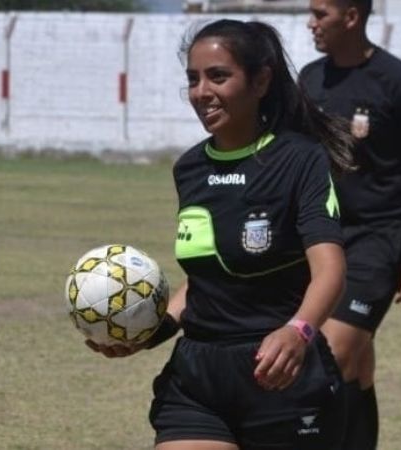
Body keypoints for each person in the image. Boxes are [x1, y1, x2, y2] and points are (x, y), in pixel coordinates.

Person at [87, 18, 358, 450]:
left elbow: (329, 269)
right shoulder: (190, 168)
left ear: (261, 81)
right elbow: (203, 281)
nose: (201, 92)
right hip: (198, 380)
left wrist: (298, 331)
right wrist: (145, 333)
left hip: (279, 374)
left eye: (218, 76)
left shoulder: (299, 160)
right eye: (193, 79)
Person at [299, 0, 401, 448]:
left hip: (378, 238)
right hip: (323, 239)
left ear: (351, 17)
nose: (311, 23)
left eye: (320, 13)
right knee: (355, 365)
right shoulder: (309, 79)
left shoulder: (398, 81)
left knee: (329, 352)